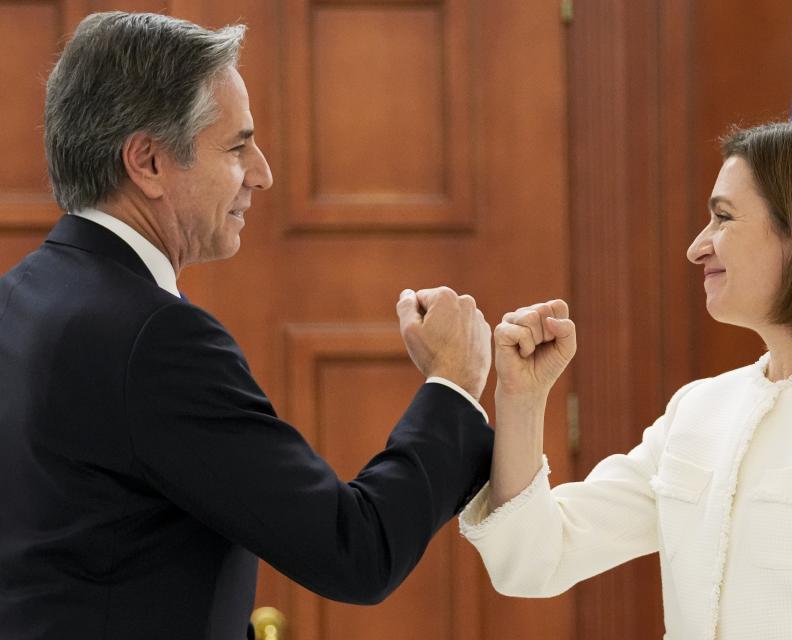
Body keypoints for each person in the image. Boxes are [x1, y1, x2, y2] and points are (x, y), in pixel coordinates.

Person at [0, 12, 494, 640]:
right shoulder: (155, 340)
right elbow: (355, 550)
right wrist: (452, 386)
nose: (262, 173)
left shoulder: (21, 296)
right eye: (237, 146)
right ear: (148, 161)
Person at [461, 119, 792, 639]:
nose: (697, 247)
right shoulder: (698, 409)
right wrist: (521, 397)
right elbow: (533, 558)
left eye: (723, 218)